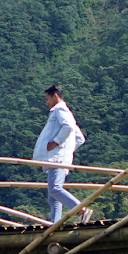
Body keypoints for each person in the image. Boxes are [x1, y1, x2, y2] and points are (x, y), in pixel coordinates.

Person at [33, 85, 91, 223]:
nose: (47, 102)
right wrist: (66, 149)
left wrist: (56, 143)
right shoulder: (64, 112)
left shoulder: (59, 109)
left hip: (57, 159)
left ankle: (81, 210)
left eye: (48, 99)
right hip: (58, 158)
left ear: (55, 96)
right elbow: (79, 138)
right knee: (53, 195)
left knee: (54, 189)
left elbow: (68, 126)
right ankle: (56, 223)